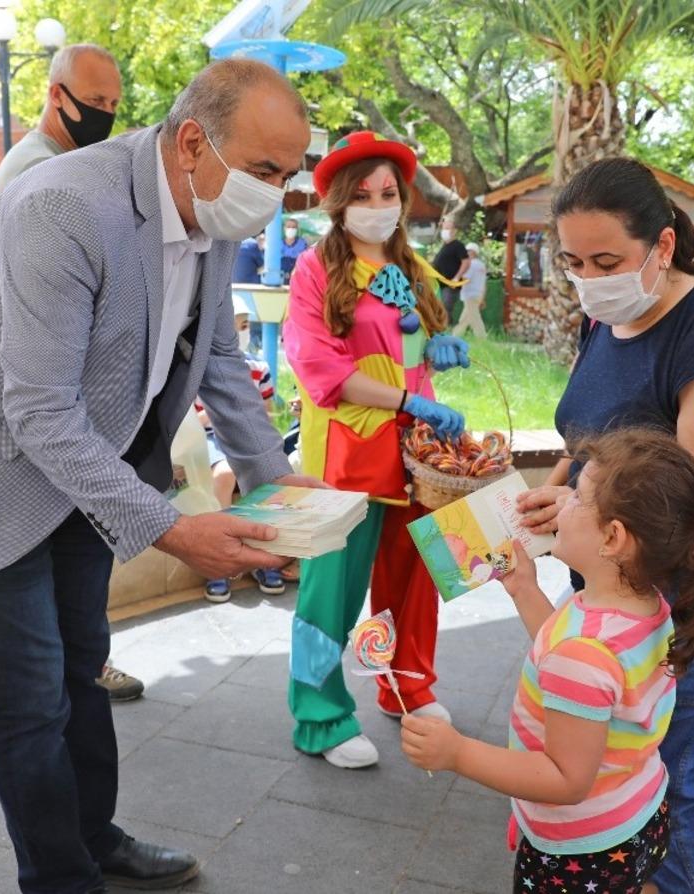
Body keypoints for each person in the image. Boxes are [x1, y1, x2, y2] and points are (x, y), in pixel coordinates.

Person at [0, 58, 317, 893]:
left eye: (289, 175)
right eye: (265, 170)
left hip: (90, 466)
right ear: (193, 142)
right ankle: (58, 877)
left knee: (82, 662)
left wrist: (280, 488)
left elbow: (218, 356)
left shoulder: (213, 211)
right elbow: (39, 411)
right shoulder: (66, 204)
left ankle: (92, 835)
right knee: (30, 696)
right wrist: (176, 529)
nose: (274, 193)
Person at [515, 157, 694, 894]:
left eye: (607, 260)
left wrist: (580, 521)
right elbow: (592, 441)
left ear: (663, 247)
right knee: (647, 784)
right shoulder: (609, 320)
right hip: (623, 594)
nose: (587, 279)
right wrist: (558, 494)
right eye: (571, 261)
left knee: (666, 791)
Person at [402, 427, 694, 894]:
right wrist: (524, 588)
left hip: (583, 850)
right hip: (638, 812)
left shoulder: (585, 651)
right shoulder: (643, 607)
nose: (562, 502)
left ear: (613, 538)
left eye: (577, 497)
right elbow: (563, 654)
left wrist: (458, 753)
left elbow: (566, 778)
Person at [283, 130, 470, 769]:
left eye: (388, 192)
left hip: (417, 455)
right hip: (347, 454)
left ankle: (404, 683)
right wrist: (407, 400)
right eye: (363, 194)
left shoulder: (413, 269)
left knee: (412, 579)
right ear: (338, 201)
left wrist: (435, 362)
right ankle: (320, 715)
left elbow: (412, 354)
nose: (379, 203)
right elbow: (318, 368)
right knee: (329, 591)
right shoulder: (314, 268)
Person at [0, 43, 143, 702]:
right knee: (33, 692)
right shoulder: (39, 177)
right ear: (55, 95)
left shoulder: (67, 164)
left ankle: (74, 666)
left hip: (57, 421)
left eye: (111, 106)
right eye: (93, 103)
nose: (104, 116)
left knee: (66, 638)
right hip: (30, 424)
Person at [200, 294, 286, 602]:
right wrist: (229, 408)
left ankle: (261, 555)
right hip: (210, 438)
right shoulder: (199, 367)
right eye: (233, 325)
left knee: (266, 477)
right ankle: (218, 559)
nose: (240, 331)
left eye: (245, 325)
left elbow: (262, 412)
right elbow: (193, 419)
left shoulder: (257, 367)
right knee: (224, 475)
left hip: (248, 436)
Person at [0, 43, 122, 219]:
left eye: (113, 104)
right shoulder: (41, 168)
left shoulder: (52, 160)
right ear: (57, 95)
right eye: (96, 100)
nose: (108, 113)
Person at [432, 219, 470, 322]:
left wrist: (457, 277)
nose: (445, 231)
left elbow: (466, 262)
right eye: (444, 228)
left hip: (450, 284)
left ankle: (446, 329)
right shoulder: (444, 246)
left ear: (454, 231)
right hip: (440, 284)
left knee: (445, 308)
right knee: (439, 308)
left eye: (448, 228)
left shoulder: (458, 245)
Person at [452, 241, 487, 339]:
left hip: (470, 294)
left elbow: (466, 279)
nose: (466, 253)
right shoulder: (482, 265)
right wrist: (483, 298)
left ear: (473, 252)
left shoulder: (471, 264)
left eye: (468, 251)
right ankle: (455, 335)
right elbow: (484, 283)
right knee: (465, 318)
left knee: (475, 317)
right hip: (478, 294)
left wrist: (455, 282)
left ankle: (482, 337)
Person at [280, 217, 308, 281]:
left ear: (297, 229)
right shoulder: (278, 244)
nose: (291, 229)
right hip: (281, 276)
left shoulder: (302, 243)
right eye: (288, 227)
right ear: (284, 228)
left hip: (297, 276)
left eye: (293, 227)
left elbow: (305, 260)